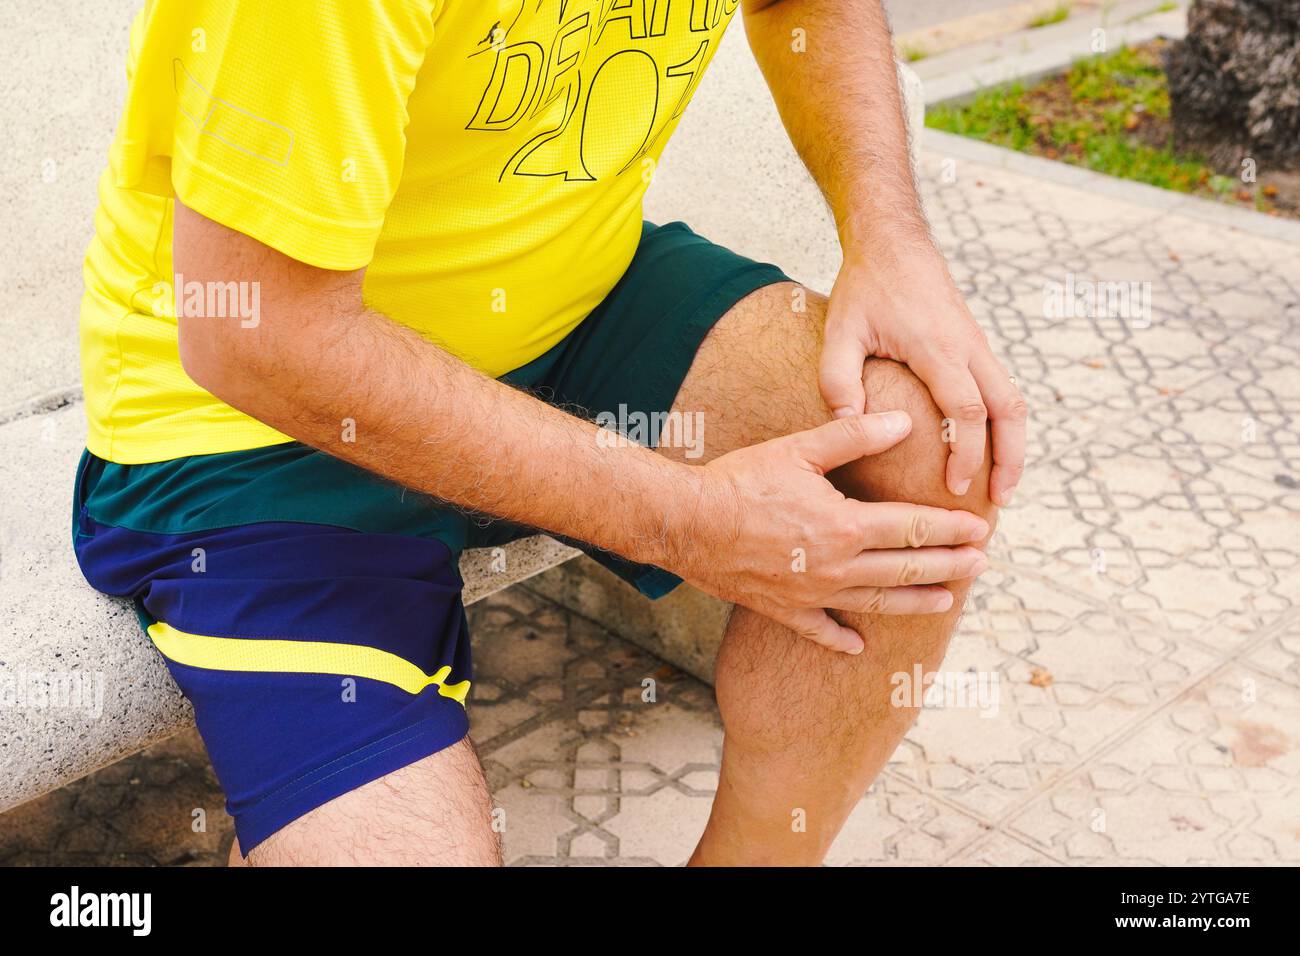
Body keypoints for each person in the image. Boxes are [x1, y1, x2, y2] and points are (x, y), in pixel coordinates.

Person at [73, 0, 1025, 865]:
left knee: (928, 442)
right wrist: (688, 520)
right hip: (253, 428)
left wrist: (888, 237)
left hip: (571, 308)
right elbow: (254, 336)